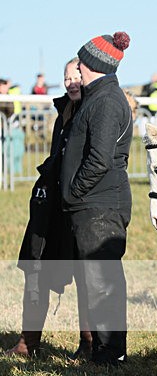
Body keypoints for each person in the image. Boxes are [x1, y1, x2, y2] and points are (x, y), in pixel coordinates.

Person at [7, 58, 92, 359]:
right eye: (66, 78)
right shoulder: (63, 112)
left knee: (85, 275)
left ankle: (89, 344)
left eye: (76, 77)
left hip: (80, 204)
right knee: (35, 265)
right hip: (51, 203)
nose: (71, 83)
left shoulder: (94, 111)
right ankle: (27, 343)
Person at [60, 31, 133, 366]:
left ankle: (110, 353)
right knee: (96, 280)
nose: (77, 67)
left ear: (90, 64)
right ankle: (104, 350)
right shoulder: (98, 96)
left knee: (104, 282)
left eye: (81, 62)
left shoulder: (105, 101)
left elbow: (100, 159)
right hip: (93, 203)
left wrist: (74, 191)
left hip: (99, 205)